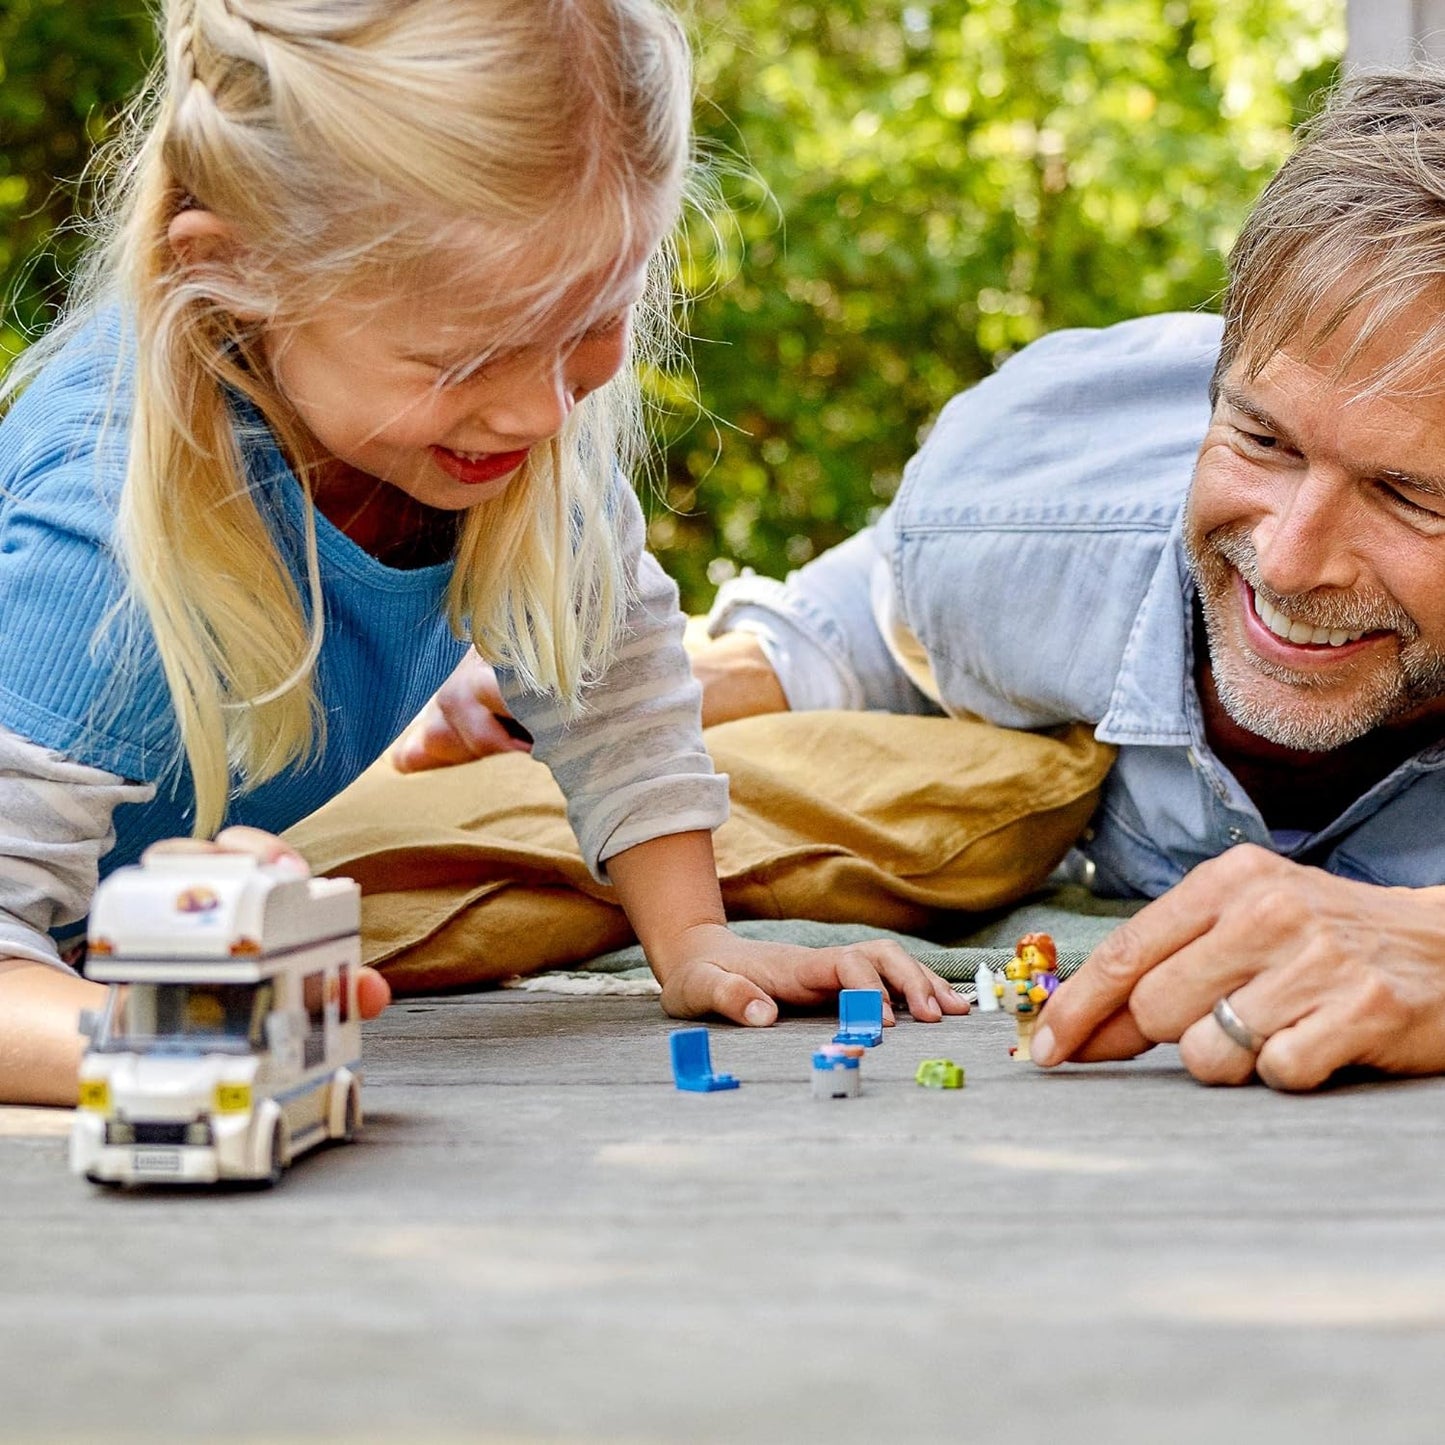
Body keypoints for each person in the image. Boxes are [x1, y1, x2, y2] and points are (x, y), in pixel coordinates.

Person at [0, 0, 966, 1107]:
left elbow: (611, 683)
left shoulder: (488, 442)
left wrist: (694, 937)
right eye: (467, 358)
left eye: (595, 318)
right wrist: (182, 1037)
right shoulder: (101, 520)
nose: (541, 409)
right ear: (242, 271)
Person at [413, 69, 1445, 1092]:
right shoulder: (1018, 521)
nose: (1289, 560)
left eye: (1409, 497)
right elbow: (878, 631)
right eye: (1258, 437)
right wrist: (651, 686)